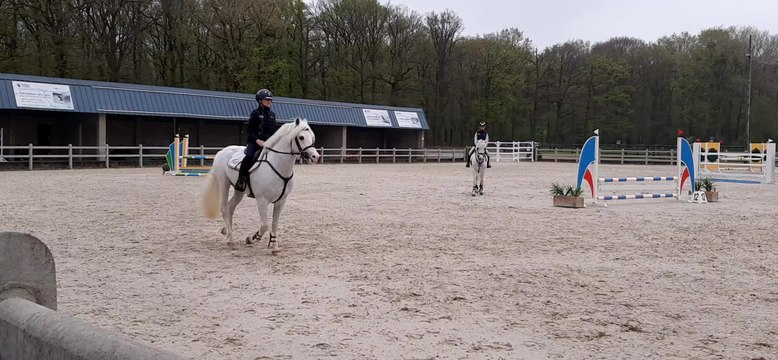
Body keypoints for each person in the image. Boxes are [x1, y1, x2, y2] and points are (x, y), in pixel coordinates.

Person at [235, 89, 277, 192]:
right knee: (249, 156)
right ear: (260, 101)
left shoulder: (272, 115)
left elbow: (272, 132)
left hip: (267, 144)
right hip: (255, 142)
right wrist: (257, 140)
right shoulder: (255, 113)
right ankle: (241, 179)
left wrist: (271, 141)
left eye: (270, 100)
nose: (269, 101)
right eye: (267, 100)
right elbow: (250, 130)